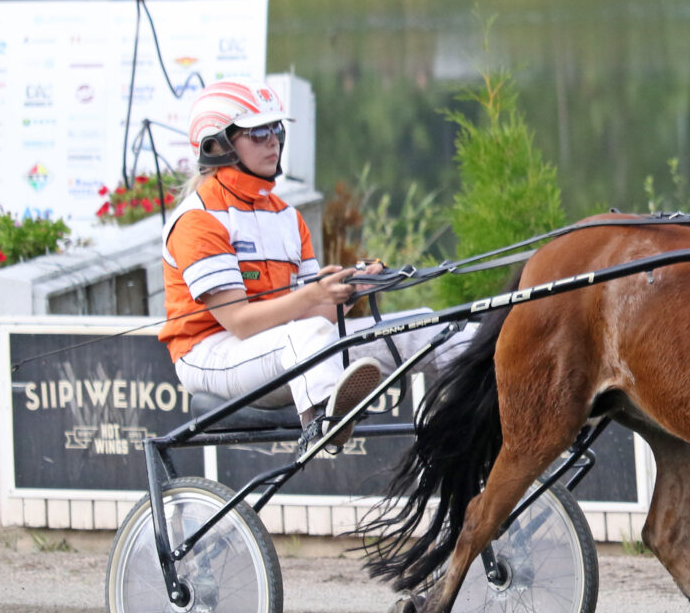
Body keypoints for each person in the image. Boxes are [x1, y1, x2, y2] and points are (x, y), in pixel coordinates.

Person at [160, 77, 464, 442]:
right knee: (305, 337)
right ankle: (325, 418)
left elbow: (314, 318)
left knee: (423, 324)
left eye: (275, 128)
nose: (273, 140)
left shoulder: (288, 217)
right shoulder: (198, 220)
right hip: (210, 356)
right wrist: (313, 294)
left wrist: (349, 293)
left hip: (288, 343)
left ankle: (490, 394)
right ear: (216, 144)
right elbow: (240, 323)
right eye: (257, 133)